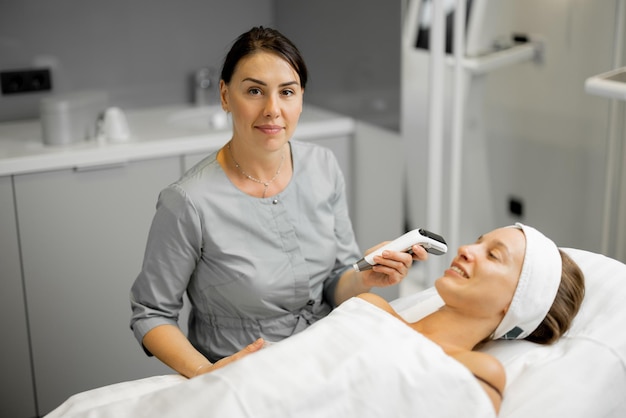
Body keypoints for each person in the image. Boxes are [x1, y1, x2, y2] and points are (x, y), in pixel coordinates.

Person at [130, 26, 428, 379]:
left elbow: (336, 281)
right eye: (254, 91)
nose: (273, 109)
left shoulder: (323, 167)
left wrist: (367, 275)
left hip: (324, 354)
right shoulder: (188, 202)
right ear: (225, 96)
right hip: (243, 373)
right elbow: (151, 314)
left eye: (287, 92)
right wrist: (205, 373)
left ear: (301, 97)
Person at [357, 223, 585, 413]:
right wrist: (361, 277)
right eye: (478, 243)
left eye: (493, 255)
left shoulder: (478, 372)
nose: (465, 249)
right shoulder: (370, 306)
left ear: (518, 304)